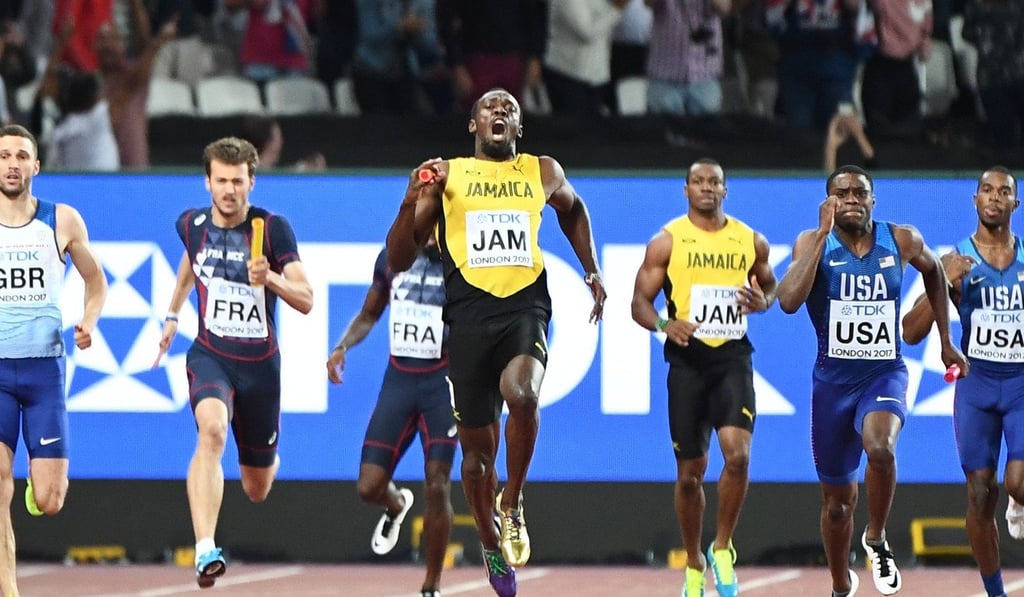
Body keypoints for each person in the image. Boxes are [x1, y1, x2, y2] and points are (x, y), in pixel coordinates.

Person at [385, 88, 607, 597]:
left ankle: (513, 502)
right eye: (489, 107)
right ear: (473, 125)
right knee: (477, 461)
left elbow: (573, 211)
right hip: (466, 319)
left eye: (510, 107)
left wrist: (591, 269)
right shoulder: (447, 176)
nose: (500, 111)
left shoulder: (541, 170)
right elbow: (399, 257)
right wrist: (409, 197)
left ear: (520, 127)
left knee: (524, 394)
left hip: (524, 308)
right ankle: (488, 540)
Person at [775, 164, 968, 597]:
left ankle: (877, 538)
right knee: (838, 506)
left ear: (872, 200)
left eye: (859, 193)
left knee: (880, 448)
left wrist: (945, 340)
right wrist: (822, 235)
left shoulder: (900, 239)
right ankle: (841, 583)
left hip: (884, 373)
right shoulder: (812, 243)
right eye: (840, 194)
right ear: (827, 202)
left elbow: (935, 271)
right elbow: (787, 301)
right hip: (831, 386)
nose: (851, 200)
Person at [155, 136, 313, 589]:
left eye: (238, 182)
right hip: (212, 355)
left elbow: (307, 299)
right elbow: (191, 263)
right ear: (207, 182)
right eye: (221, 181)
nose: (229, 190)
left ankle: (266, 456)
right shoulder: (191, 223)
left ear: (251, 183)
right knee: (212, 430)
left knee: (256, 487)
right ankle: (205, 546)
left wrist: (273, 280)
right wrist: (171, 313)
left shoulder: (272, 228)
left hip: (261, 367)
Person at [630, 158, 777, 597]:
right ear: (686, 190)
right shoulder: (667, 241)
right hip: (687, 360)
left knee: (738, 456)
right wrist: (662, 325)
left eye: (714, 182)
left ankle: (723, 546)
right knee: (691, 473)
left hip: (732, 356)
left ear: (725, 190)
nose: (707, 188)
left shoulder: (751, 240)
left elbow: (769, 288)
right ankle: (693, 558)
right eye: (698, 182)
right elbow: (639, 302)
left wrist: (761, 301)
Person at [0, 123, 107, 596]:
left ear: (36, 166)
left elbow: (96, 279)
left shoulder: (61, 220)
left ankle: (36, 486)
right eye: (4, 156)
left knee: (50, 499)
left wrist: (89, 319)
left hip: (44, 371)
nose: (12, 165)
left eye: (21, 156)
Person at [902, 167, 1019, 597]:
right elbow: (910, 331)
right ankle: (995, 593)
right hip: (977, 386)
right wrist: (943, 282)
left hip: (1021, 385)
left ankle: (1019, 498)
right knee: (979, 493)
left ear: (1014, 204)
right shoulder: (953, 260)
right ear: (975, 200)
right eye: (986, 190)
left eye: (1003, 191)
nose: (994, 197)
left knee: (1018, 483)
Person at [325, 239, 455, 597]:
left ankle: (431, 586)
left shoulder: (462, 257)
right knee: (368, 486)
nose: (429, 235)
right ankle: (396, 504)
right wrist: (342, 346)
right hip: (399, 381)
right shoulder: (392, 258)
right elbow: (369, 314)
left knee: (438, 483)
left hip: (442, 382)